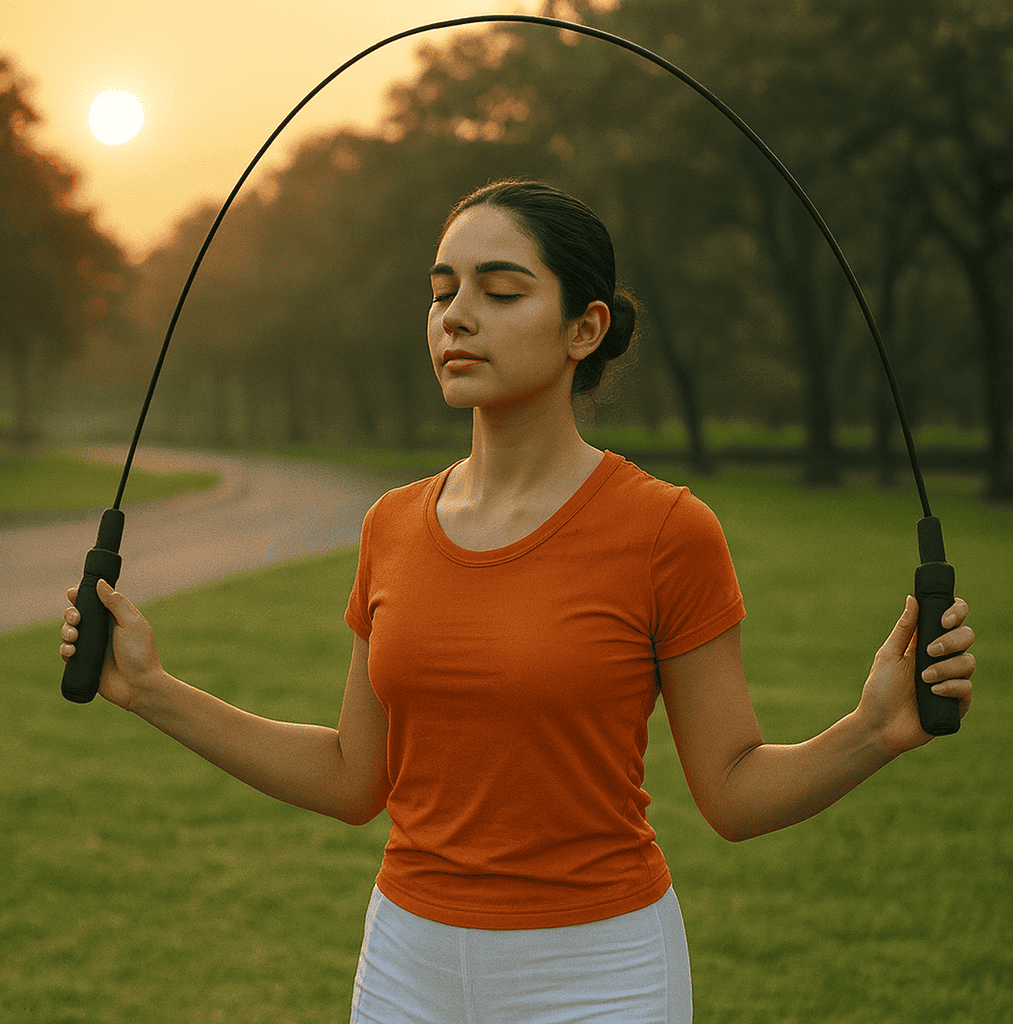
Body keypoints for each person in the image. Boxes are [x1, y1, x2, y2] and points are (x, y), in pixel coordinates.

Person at [60, 179, 975, 1023]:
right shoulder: (390, 526)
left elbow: (731, 793)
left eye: (500, 292)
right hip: (406, 966)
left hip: (600, 974)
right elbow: (352, 777)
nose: (456, 316)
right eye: (441, 290)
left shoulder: (667, 532)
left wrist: (870, 731)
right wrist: (150, 690)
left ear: (585, 329)